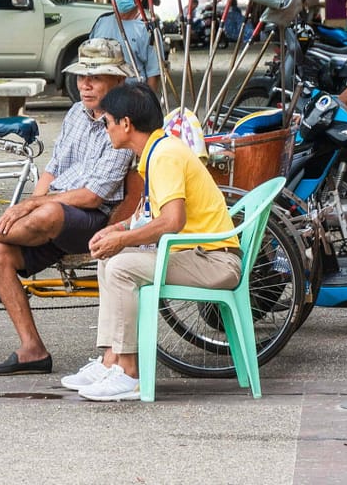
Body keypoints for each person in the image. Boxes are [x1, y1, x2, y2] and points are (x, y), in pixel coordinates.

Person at [0, 38, 135, 376]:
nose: (86, 84)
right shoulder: (76, 113)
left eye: (96, 77)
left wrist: (35, 205)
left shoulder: (122, 122)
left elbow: (93, 196)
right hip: (50, 216)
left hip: (94, 219)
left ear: (117, 81)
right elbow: (53, 169)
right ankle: (33, 350)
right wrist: (29, 206)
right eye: (82, 76)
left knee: (48, 213)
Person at [60, 82, 242, 401]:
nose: (106, 130)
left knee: (120, 266)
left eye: (107, 122)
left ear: (126, 124)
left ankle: (129, 373)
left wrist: (124, 239)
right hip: (195, 255)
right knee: (109, 258)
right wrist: (117, 231)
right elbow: (149, 214)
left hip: (213, 261)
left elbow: (173, 221)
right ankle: (111, 360)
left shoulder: (165, 156)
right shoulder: (155, 152)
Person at [89, 0, 161, 91]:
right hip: (101, 92)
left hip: (132, 95)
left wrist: (148, 103)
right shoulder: (101, 22)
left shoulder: (147, 30)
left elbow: (154, 73)